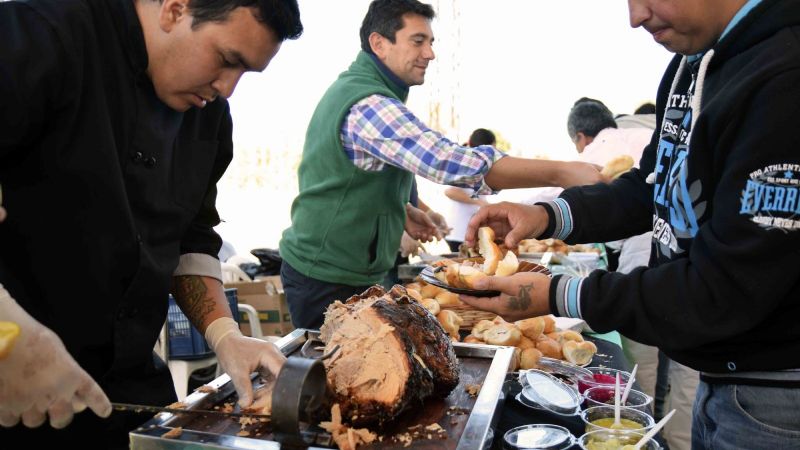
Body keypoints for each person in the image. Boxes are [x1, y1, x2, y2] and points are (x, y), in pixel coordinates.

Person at [461, 1, 800, 448]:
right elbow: (649, 188)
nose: (635, 17)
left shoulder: (783, 80)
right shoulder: (691, 64)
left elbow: (724, 289)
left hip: (774, 396)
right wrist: (547, 215)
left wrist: (558, 293)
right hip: (724, 376)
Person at [0, 0, 302, 447]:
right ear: (175, 9)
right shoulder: (41, 35)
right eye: (226, 60)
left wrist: (226, 335)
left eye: (245, 73)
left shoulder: (209, 115)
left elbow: (191, 237)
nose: (228, 88)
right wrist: (7, 338)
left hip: (125, 390)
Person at [279, 0, 605, 330]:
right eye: (418, 41)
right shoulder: (368, 102)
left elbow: (351, 180)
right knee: (340, 377)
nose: (430, 53)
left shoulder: (373, 94)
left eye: (431, 42)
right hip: (326, 279)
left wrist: (401, 211)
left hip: (348, 273)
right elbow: (449, 163)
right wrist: (562, 171)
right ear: (379, 43)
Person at [443, 128, 497, 253]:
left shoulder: (480, 165)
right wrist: (479, 202)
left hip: (469, 232)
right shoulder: (464, 164)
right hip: (459, 233)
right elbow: (450, 192)